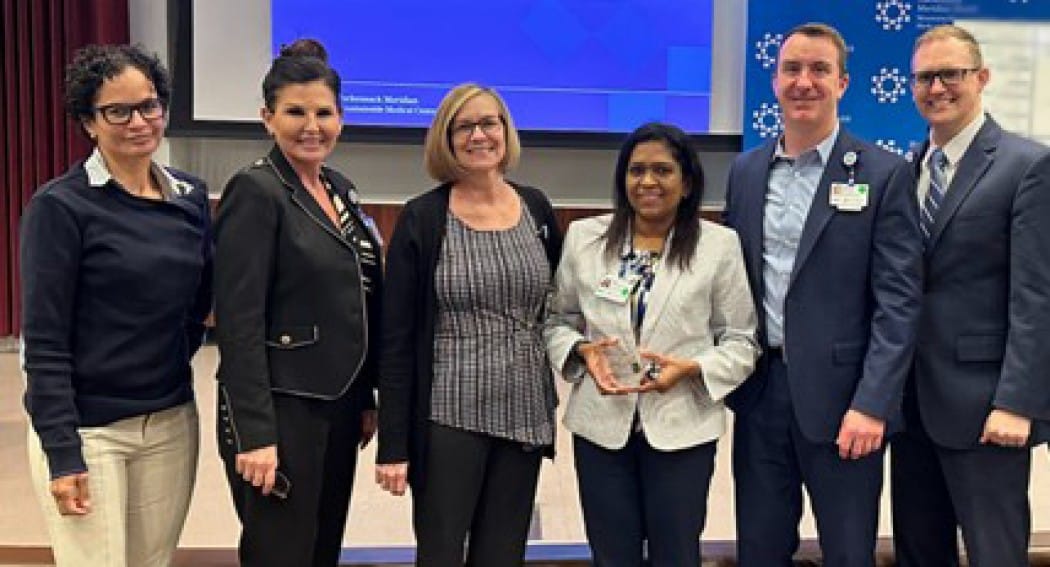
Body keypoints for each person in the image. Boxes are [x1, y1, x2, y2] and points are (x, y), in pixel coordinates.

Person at [723, 22, 923, 566]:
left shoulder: (884, 174)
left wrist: (873, 404)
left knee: (848, 552)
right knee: (760, 550)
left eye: (819, 70)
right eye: (792, 69)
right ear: (775, 80)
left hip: (846, 404)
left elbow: (899, 303)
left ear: (842, 83)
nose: (804, 82)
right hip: (760, 394)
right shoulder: (745, 171)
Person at [20, 44, 212, 567]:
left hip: (170, 424)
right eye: (117, 111)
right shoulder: (60, 208)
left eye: (149, 105)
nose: (139, 122)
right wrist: (62, 453)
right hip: (90, 432)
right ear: (88, 122)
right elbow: (43, 343)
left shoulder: (189, 198)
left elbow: (196, 308)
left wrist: (169, 361)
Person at [544, 122, 759, 565]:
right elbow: (556, 320)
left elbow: (742, 341)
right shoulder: (586, 239)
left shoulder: (719, 246)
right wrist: (583, 352)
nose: (647, 181)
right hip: (601, 428)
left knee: (675, 554)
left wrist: (692, 368)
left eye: (662, 170)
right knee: (612, 554)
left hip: (683, 428)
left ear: (687, 183)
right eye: (636, 170)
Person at [374, 83, 562, 566]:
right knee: (440, 554)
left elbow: (558, 308)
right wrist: (393, 445)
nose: (479, 135)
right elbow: (394, 341)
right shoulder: (423, 218)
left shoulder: (536, 208)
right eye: (465, 126)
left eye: (489, 123)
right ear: (447, 138)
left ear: (506, 131)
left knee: (502, 555)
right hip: (448, 418)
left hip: (524, 411)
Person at [212, 39, 382, 567]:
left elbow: (358, 297)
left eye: (324, 112)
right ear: (267, 118)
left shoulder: (339, 188)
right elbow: (238, 324)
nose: (312, 125)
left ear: (341, 118)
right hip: (281, 411)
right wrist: (256, 434)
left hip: (339, 404)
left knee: (321, 548)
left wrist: (366, 397)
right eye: (295, 112)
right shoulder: (256, 191)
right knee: (281, 553)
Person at [890, 24, 1050, 567]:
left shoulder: (1026, 165)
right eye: (924, 78)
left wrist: (1018, 402)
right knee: (918, 552)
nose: (936, 88)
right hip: (910, 406)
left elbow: (1037, 296)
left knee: (994, 554)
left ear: (981, 78)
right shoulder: (903, 169)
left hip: (987, 410)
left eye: (950, 74)